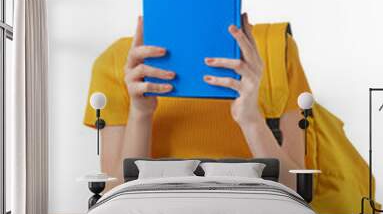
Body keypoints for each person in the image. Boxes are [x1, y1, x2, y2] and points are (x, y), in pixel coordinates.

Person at [85, 14, 304, 192]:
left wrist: (251, 119)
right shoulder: (119, 61)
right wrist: (140, 113)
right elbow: (112, 194)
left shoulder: (276, 48)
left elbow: (297, 189)